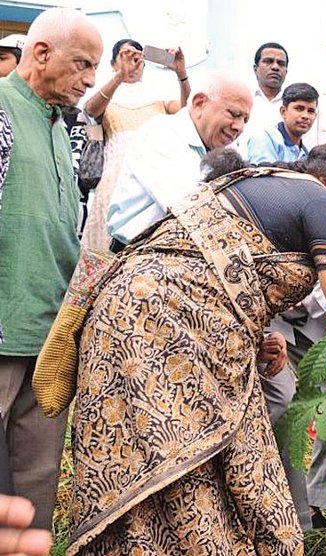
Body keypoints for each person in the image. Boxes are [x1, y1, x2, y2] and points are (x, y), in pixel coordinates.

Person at [67, 134, 326, 555]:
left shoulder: (274, 184)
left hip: (127, 319)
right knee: (201, 467)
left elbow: (219, 270)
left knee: (175, 465)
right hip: (160, 329)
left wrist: (258, 334)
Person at [0, 8, 103, 531]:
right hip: (2, 327)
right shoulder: (0, 110)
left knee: (37, 477)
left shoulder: (63, 129)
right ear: (41, 54)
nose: (90, 80)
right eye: (83, 64)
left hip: (47, 335)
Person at [107, 72, 252, 248]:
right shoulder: (161, 133)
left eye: (245, 119)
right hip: (138, 257)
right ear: (199, 103)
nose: (239, 127)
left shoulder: (225, 147)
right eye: (234, 114)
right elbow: (191, 206)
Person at [80, 39, 190, 252]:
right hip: (113, 184)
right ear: (113, 63)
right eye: (124, 55)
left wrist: (181, 74)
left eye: (136, 56)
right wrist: (120, 76)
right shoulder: (107, 97)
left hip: (152, 186)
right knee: (104, 251)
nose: (132, 62)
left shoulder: (158, 98)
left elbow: (186, 111)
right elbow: (90, 111)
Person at [247, 82, 318, 164]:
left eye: (311, 111)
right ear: (283, 112)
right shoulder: (264, 139)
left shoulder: (306, 153)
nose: (305, 116)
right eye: (299, 109)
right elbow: (263, 175)